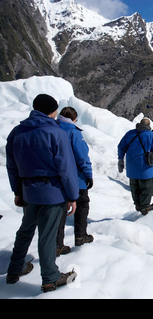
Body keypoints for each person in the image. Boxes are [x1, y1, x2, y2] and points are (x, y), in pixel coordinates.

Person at [6, 94, 79, 293]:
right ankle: (50, 278)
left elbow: (12, 166)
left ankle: (15, 268)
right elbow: (66, 168)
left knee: (25, 231)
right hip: (52, 193)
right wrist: (73, 196)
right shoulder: (55, 133)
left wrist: (18, 190)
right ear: (52, 111)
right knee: (47, 236)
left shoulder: (17, 132)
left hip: (29, 191)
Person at [56, 107, 94, 257]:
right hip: (75, 178)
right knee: (82, 204)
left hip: (57, 179)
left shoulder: (53, 129)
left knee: (60, 209)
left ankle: (58, 244)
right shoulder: (74, 132)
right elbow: (82, 156)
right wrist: (88, 174)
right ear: (73, 119)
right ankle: (80, 235)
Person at [118, 118, 153, 215]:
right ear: (149, 125)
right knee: (146, 187)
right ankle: (145, 206)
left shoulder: (130, 134)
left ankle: (137, 204)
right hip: (145, 167)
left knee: (134, 186)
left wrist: (120, 159)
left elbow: (121, 146)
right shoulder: (151, 135)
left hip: (131, 167)